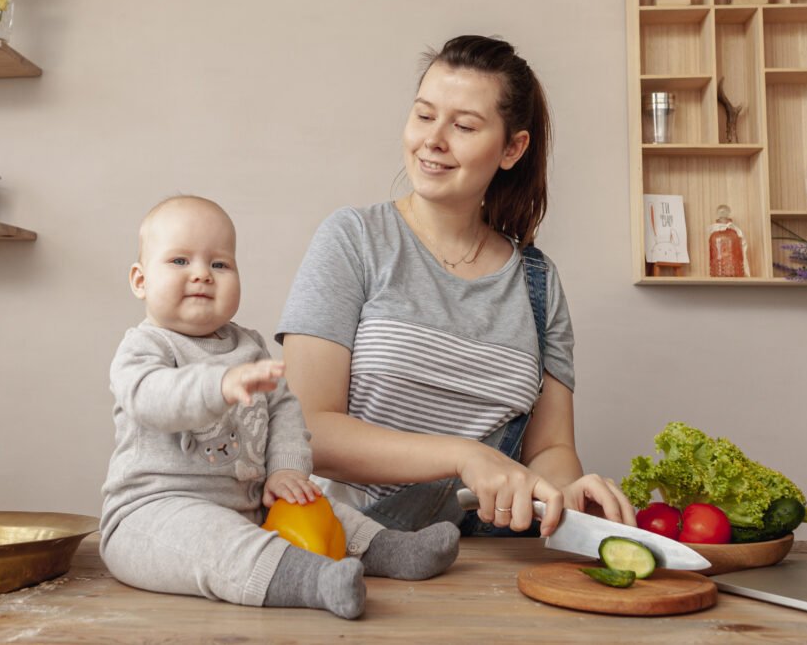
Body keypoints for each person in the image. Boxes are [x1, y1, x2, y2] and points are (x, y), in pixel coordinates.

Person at [277, 35, 636, 537]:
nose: (433, 139)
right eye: (424, 115)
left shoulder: (538, 283)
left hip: (488, 565)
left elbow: (549, 450)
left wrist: (566, 493)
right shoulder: (354, 240)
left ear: (513, 148)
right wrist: (463, 456)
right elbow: (306, 430)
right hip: (350, 548)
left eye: (464, 125)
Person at [99, 196, 459, 620]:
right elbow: (153, 398)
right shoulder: (144, 347)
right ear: (140, 280)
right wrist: (219, 385)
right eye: (179, 261)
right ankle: (314, 581)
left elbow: (284, 410)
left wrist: (288, 470)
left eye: (220, 264)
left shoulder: (248, 346)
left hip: (249, 504)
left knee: (318, 505)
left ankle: (390, 549)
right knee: (218, 543)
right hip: (156, 514)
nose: (201, 274)